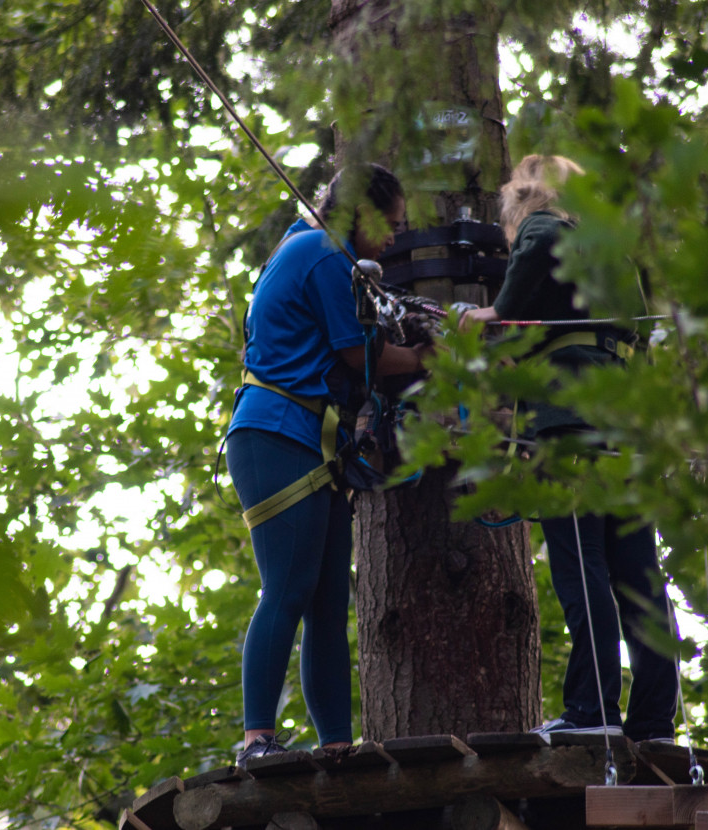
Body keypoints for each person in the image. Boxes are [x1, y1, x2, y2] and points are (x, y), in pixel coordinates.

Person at [462, 155, 678, 743]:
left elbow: (538, 244)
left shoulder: (544, 222)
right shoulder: (616, 256)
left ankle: (593, 711)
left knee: (582, 566)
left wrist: (499, 311)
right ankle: (655, 719)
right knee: (638, 576)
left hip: (571, 424)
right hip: (625, 428)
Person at [227, 163, 429, 764]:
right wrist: (426, 356)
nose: (394, 238)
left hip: (311, 441)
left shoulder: (316, 250)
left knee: (325, 605)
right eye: (389, 225)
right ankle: (256, 738)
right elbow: (358, 354)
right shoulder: (320, 252)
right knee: (287, 588)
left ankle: (337, 746)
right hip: (276, 433)